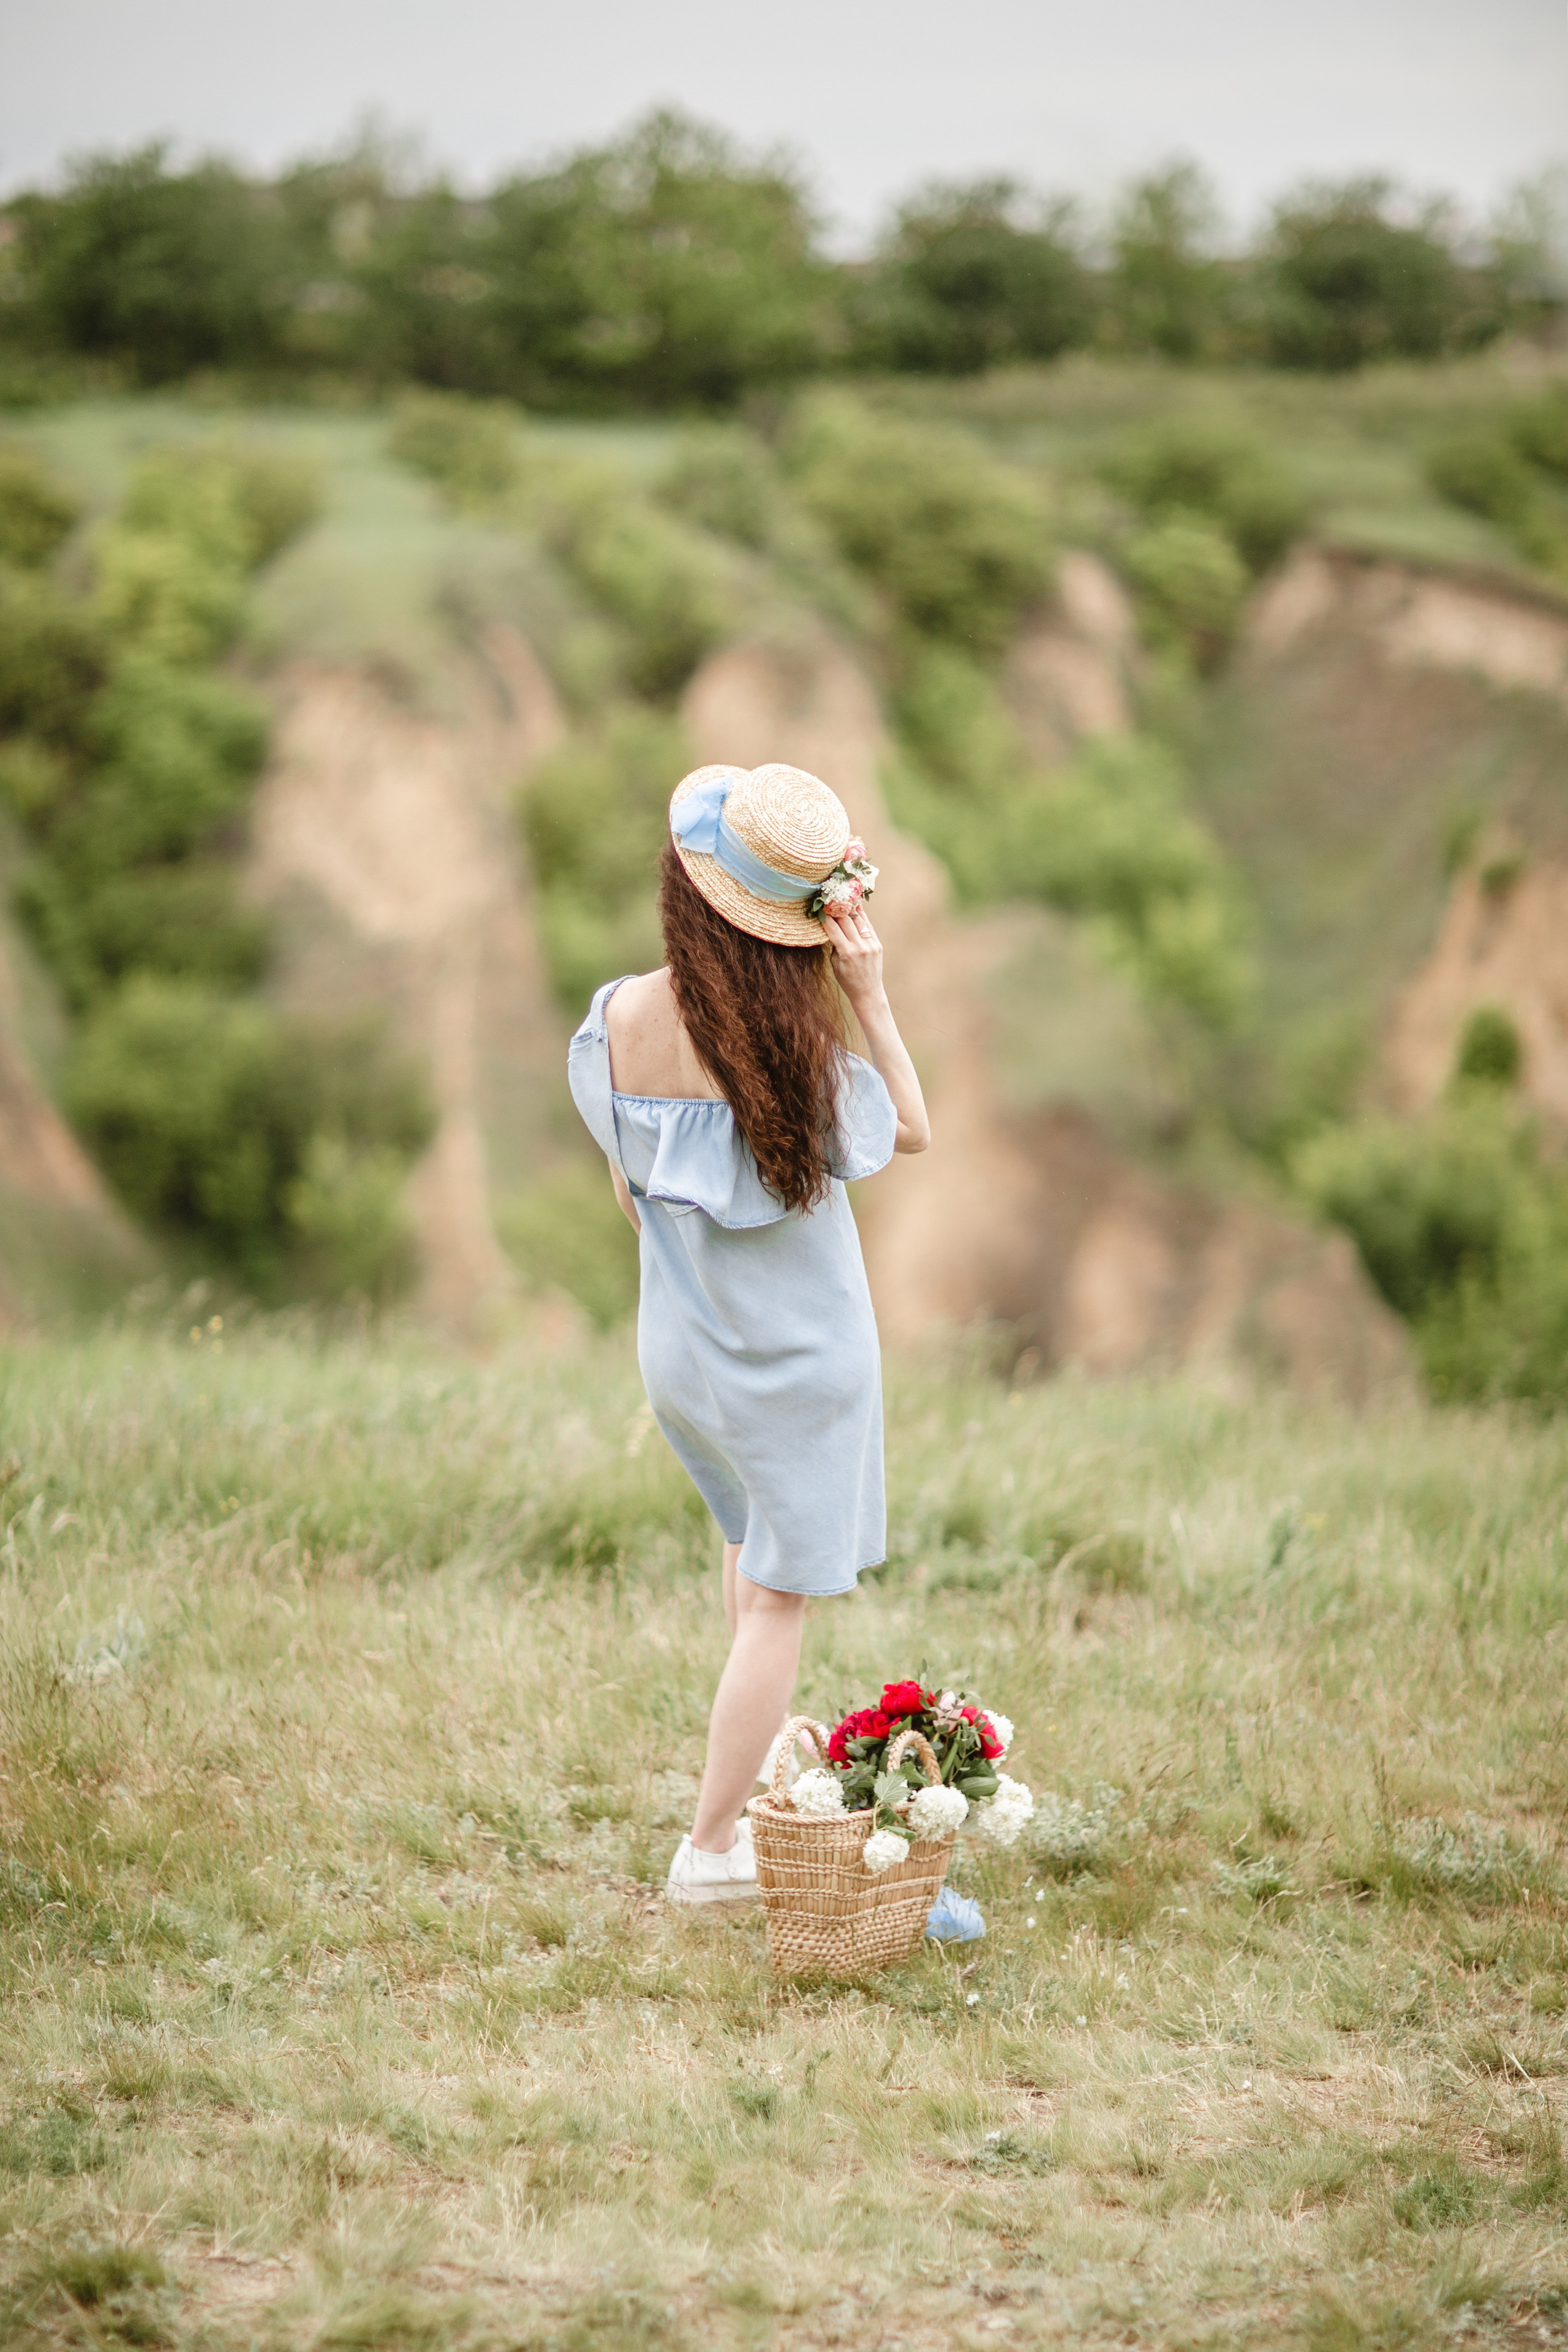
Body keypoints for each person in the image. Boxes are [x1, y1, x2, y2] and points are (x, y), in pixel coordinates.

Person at [567, 761, 930, 1904]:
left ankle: (763, 1757)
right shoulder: (797, 1064)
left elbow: (630, 1194)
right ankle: (714, 1850)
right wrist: (868, 994)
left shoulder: (615, 1019)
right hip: (799, 1366)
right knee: (780, 1602)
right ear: (805, 931)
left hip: (683, 1355)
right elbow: (911, 1128)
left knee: (746, 1553)